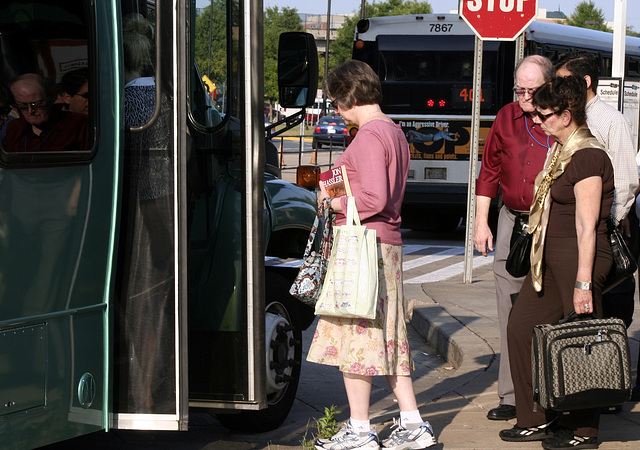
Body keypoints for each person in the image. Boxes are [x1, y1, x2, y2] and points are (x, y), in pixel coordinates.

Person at [307, 60, 436, 450]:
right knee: (388, 335)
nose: (336, 110)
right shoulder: (394, 132)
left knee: (356, 338)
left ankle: (361, 430)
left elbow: (374, 197)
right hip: (387, 245)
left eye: (335, 102)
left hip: (363, 244)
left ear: (349, 96)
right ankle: (412, 424)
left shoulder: (366, 137)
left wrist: (334, 202)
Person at [500, 75, 613, 449]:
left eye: (544, 115)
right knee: (520, 329)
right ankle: (535, 417)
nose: (537, 121)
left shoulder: (588, 155)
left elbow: (587, 224)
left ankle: (584, 430)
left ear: (566, 115)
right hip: (550, 256)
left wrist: (583, 282)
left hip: (579, 257)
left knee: (583, 341)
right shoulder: (560, 150)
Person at [473, 55, 555, 421]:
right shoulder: (507, 116)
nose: (522, 97)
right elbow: (488, 170)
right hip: (511, 219)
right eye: (518, 89)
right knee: (508, 308)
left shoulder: (558, 120)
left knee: (547, 309)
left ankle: (550, 391)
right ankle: (510, 395)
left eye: (530, 91)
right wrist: (481, 222)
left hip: (550, 224)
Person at [5, 73, 88, 153]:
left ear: (51, 98)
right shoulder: (15, 128)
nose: (30, 111)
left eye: (37, 104)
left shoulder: (79, 124)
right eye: (23, 105)